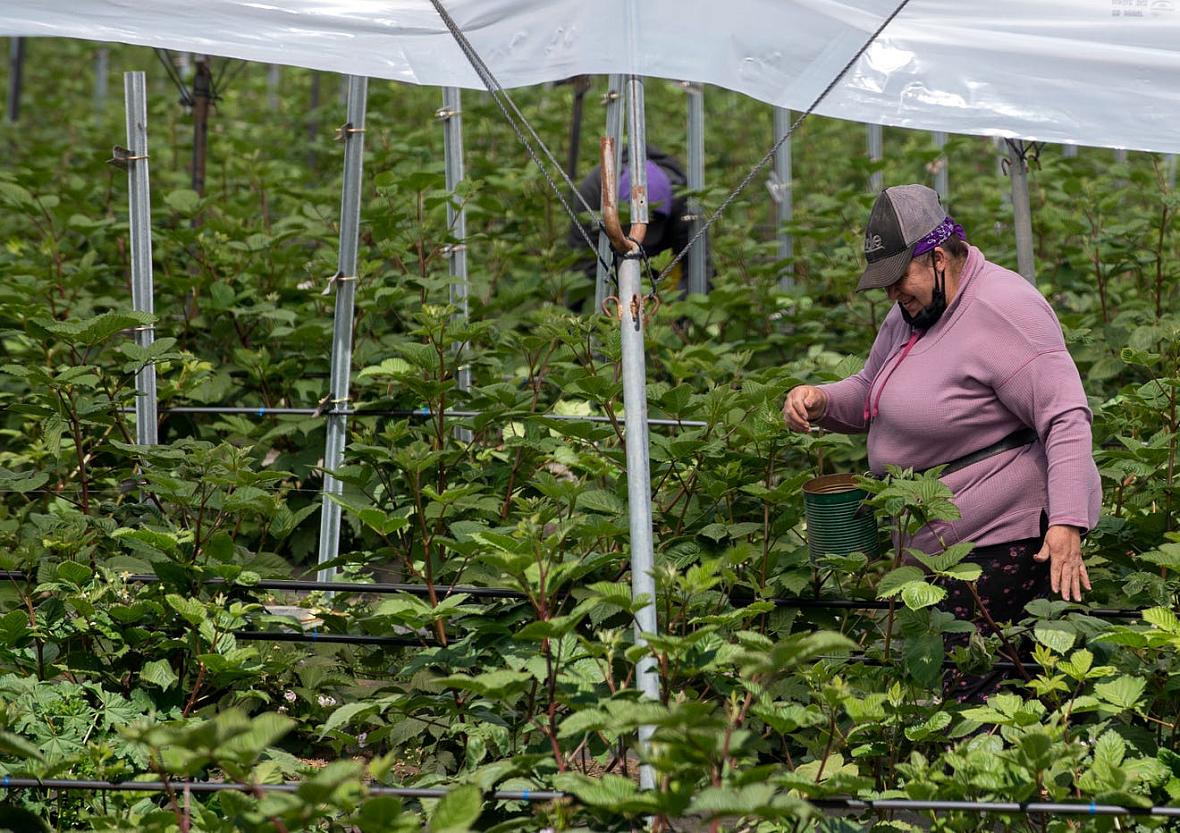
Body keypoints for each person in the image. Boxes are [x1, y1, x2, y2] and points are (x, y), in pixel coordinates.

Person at [782, 184, 1101, 697]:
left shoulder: (1004, 308)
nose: (892, 294)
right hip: (935, 544)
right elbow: (870, 390)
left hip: (1004, 539)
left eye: (897, 279)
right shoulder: (914, 312)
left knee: (975, 690)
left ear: (936, 258)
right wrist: (820, 400)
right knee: (956, 688)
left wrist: (1066, 523)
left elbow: (1064, 417)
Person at [568, 144, 709, 305]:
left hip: (661, 262)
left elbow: (699, 269)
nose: (643, 238)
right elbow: (583, 263)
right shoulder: (593, 196)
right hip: (611, 258)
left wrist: (673, 312)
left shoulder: (684, 203)